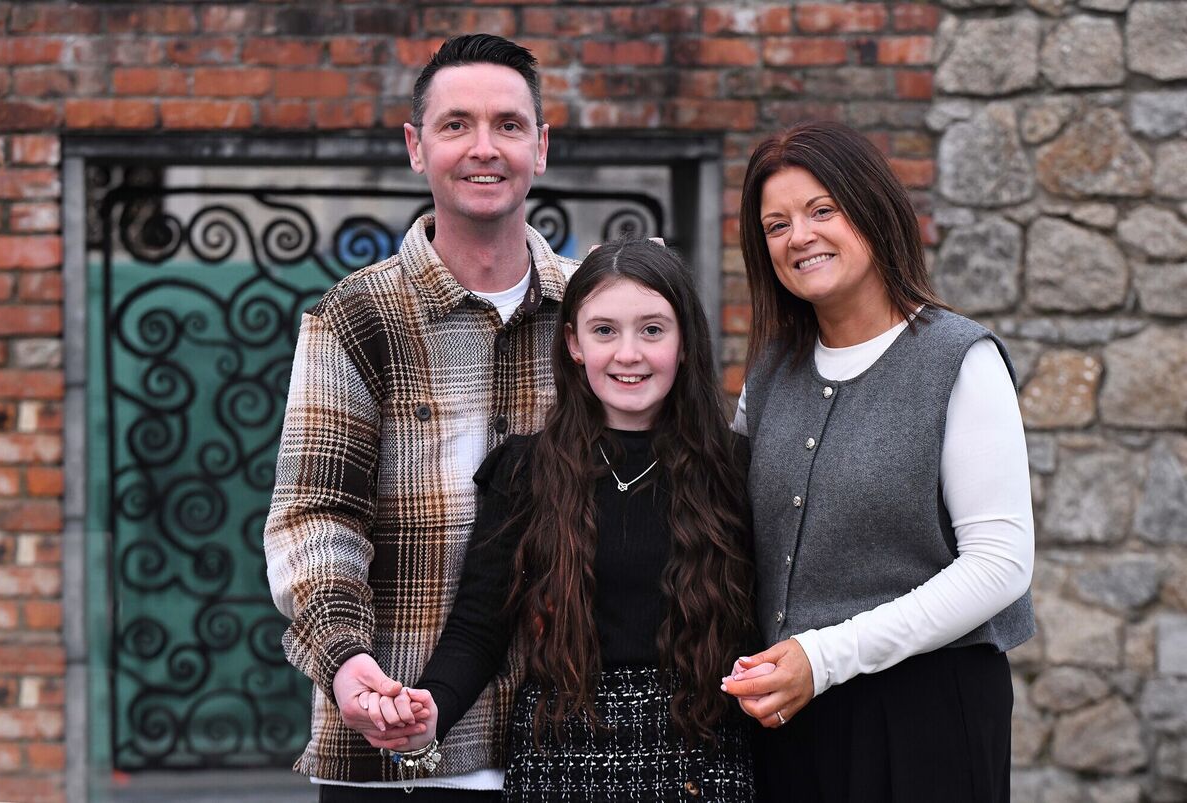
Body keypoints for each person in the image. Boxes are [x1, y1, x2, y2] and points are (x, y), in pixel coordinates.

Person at [263, 34, 576, 801]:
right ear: (415, 146)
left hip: (567, 745)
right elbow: (316, 515)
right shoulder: (356, 317)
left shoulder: (595, 316)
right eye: (455, 124)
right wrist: (344, 659)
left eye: (507, 125)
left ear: (540, 146)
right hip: (393, 746)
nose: (484, 148)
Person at [374, 238, 759, 801]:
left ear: (684, 344)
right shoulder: (525, 470)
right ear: (575, 344)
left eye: (652, 330)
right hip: (561, 756)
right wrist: (433, 705)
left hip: (703, 753)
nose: (628, 354)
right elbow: (480, 625)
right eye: (605, 331)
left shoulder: (736, 468)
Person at [720, 121, 1035, 802]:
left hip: (925, 719)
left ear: (872, 207)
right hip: (789, 720)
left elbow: (1001, 561)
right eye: (776, 224)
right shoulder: (771, 369)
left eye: (822, 210)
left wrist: (827, 655)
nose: (798, 235)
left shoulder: (960, 358)